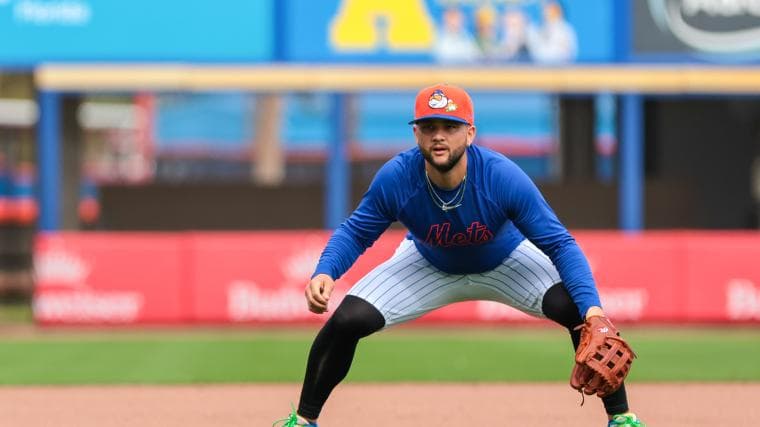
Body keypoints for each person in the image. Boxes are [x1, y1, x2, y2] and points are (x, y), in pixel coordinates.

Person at [274, 84, 645, 427]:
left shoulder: (501, 177)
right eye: (429, 126)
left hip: (506, 261)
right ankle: (304, 421)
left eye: (450, 127)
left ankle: (621, 418)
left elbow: (560, 244)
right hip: (429, 263)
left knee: (579, 311)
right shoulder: (397, 177)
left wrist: (594, 311)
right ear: (416, 134)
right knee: (346, 320)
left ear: (470, 133)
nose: (439, 135)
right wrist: (326, 271)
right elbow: (357, 231)